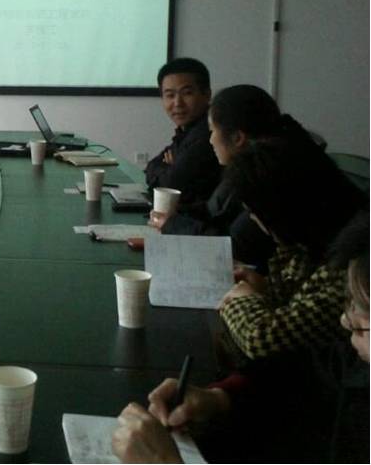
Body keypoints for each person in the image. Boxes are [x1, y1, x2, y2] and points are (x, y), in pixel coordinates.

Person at [111, 214, 370, 464]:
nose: (345, 321)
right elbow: (309, 377)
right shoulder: (356, 359)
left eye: (363, 314)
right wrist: (220, 398)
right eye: (349, 303)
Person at [217, 135, 366, 362]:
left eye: (254, 213)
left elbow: (260, 338)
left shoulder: (353, 264)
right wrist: (263, 287)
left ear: (282, 213)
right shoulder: (311, 241)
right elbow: (295, 297)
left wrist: (240, 300)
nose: (253, 220)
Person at [149, 85, 291, 271]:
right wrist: (176, 215)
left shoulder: (267, 183)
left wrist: (173, 224)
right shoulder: (242, 171)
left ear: (238, 138)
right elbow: (215, 211)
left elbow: (232, 247)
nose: (210, 140)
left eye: (212, 132)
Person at [144, 58, 220, 207]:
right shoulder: (186, 131)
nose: (177, 103)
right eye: (170, 95)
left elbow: (170, 185)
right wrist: (169, 169)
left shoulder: (209, 134)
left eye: (187, 93)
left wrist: (170, 170)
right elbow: (151, 167)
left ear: (207, 94)